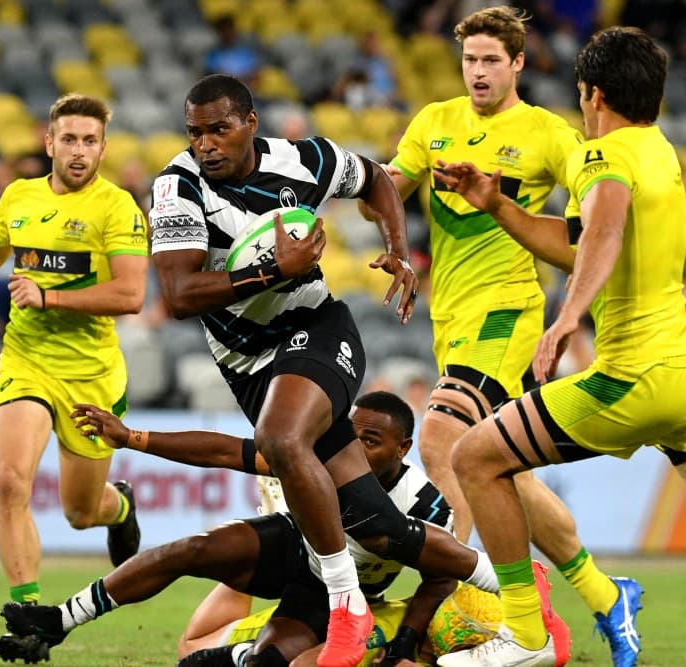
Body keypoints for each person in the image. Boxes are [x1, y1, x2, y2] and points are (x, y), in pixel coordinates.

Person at [362, 8, 639, 664]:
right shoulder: (434, 122)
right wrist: (360, 197)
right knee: (494, 464)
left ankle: (492, 603)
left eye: (491, 60)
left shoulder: (547, 134)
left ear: (517, 63)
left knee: (438, 437)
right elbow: (391, 185)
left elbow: (593, 209)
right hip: (451, 320)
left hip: (508, 314)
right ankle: (605, 592)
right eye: (470, 60)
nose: (479, 71)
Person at [432, 26, 683, 667]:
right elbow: (580, 240)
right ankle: (604, 596)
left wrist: (567, 315)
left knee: (474, 457)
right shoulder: (659, 148)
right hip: (680, 371)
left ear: (592, 94)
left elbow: (600, 233)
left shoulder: (603, 158)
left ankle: (525, 634)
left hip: (630, 379)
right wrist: (495, 205)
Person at [149, 72, 418, 666]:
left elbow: (375, 179)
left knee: (279, 437)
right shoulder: (177, 188)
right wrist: (272, 268)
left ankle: (347, 605)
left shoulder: (305, 160)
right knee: (377, 525)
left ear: (250, 123)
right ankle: (506, 583)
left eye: (219, 130)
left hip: (318, 329)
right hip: (247, 363)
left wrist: (398, 245)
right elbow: (177, 293)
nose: (205, 145)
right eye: (195, 133)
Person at [0, 391, 566, 667]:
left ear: (402, 447)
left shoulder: (425, 503)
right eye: (353, 435)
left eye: (371, 441)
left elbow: (438, 580)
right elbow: (228, 450)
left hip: (337, 598)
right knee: (192, 548)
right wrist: (137, 439)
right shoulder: (324, 456)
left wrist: (406, 640)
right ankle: (60, 620)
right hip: (291, 548)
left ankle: (240, 659)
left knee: (272, 663)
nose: (356, 450)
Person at [0, 93, 149, 655]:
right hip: (25, 360)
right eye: (68, 139)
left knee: (79, 512)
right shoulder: (19, 197)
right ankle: (26, 614)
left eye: (89, 141)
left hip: (91, 374)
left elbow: (131, 294)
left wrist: (47, 296)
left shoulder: (117, 207)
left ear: (102, 148)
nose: (78, 151)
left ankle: (117, 506)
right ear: (49, 143)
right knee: (10, 481)